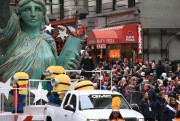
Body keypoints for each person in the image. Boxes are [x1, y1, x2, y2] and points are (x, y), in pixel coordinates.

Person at [0, 0, 80, 82]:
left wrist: (68, 69)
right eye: (27, 9)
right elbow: (2, 8)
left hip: (45, 93)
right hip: (16, 93)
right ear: (19, 14)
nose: (33, 14)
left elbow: (55, 71)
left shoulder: (49, 40)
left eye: (37, 9)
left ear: (43, 15)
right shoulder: (12, 36)